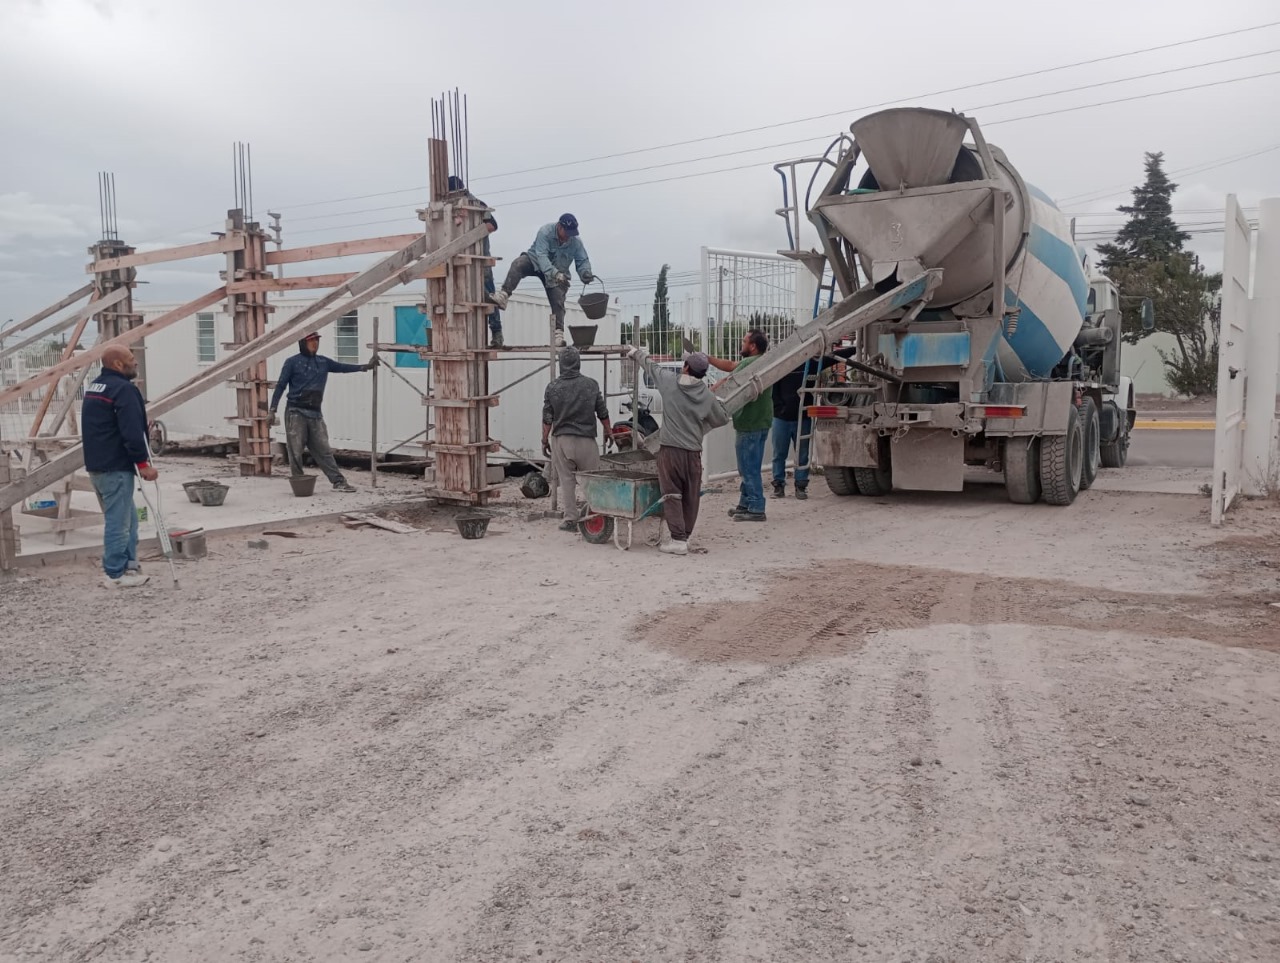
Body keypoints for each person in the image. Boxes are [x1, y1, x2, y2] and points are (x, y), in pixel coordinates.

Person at [628, 346, 729, 555]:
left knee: (672, 493)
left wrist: (636, 352)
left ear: (685, 367)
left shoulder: (669, 383)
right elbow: (721, 419)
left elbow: (651, 366)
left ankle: (678, 539)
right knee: (691, 495)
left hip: (670, 451)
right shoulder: (707, 396)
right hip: (693, 453)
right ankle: (686, 535)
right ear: (702, 374)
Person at [81, 344, 157, 588]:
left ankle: (130, 565)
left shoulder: (96, 387)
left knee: (129, 520)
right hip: (115, 467)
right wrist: (143, 463)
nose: (135, 362)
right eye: (131, 359)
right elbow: (132, 431)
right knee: (119, 522)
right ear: (117, 364)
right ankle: (115, 573)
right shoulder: (124, 390)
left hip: (97, 465)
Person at [268, 332, 374, 493]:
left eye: (317, 341)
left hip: (315, 414)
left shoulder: (323, 362)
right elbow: (281, 385)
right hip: (295, 411)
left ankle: (338, 482)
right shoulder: (292, 363)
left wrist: (364, 367)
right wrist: (272, 410)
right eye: (311, 341)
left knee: (323, 449)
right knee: (295, 450)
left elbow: (342, 367)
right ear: (303, 343)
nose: (315, 344)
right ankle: (299, 482)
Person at [488, 214, 593, 348]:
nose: (569, 236)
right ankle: (503, 295)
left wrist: (585, 273)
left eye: (571, 233)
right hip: (535, 261)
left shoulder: (576, 242)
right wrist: (556, 274)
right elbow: (542, 257)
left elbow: (582, 260)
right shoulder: (545, 232)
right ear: (560, 227)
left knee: (558, 300)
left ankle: (558, 334)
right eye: (567, 232)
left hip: (558, 273)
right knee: (518, 264)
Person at [542, 346, 611, 532]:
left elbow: (547, 418)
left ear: (561, 364)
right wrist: (608, 431)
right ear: (578, 363)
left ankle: (570, 518)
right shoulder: (591, 385)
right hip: (587, 440)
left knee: (566, 480)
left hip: (562, 440)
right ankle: (596, 516)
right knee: (592, 481)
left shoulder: (553, 387)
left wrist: (544, 440)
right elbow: (602, 412)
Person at [770, 348, 855, 499]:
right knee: (779, 454)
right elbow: (774, 392)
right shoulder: (782, 366)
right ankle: (778, 485)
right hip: (781, 419)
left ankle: (801, 486)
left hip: (803, 418)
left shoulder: (811, 364)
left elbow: (834, 358)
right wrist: (779, 408)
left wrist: (855, 348)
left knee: (802, 453)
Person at [708, 329, 771, 522]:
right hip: (762, 421)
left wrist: (712, 388)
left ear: (752, 346)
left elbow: (729, 372)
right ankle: (745, 503)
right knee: (750, 465)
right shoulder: (762, 362)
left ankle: (756, 507)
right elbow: (731, 367)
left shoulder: (748, 363)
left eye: (744, 341)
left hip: (749, 424)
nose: (741, 345)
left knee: (748, 467)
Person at [446, 176, 503, 347]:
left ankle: (497, 333)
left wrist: (470, 236)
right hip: (458, 262)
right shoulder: (450, 208)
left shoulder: (477, 205)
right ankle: (462, 337)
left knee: (489, 298)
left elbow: (492, 225)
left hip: (480, 261)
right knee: (460, 300)